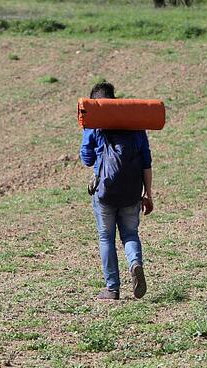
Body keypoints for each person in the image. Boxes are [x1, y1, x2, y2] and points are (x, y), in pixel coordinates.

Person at [80, 82, 154, 300]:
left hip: (105, 192)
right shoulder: (135, 124)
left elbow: (86, 159)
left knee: (106, 238)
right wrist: (148, 194)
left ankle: (112, 288)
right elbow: (146, 162)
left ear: (95, 104)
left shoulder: (94, 125)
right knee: (130, 234)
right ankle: (135, 264)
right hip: (132, 191)